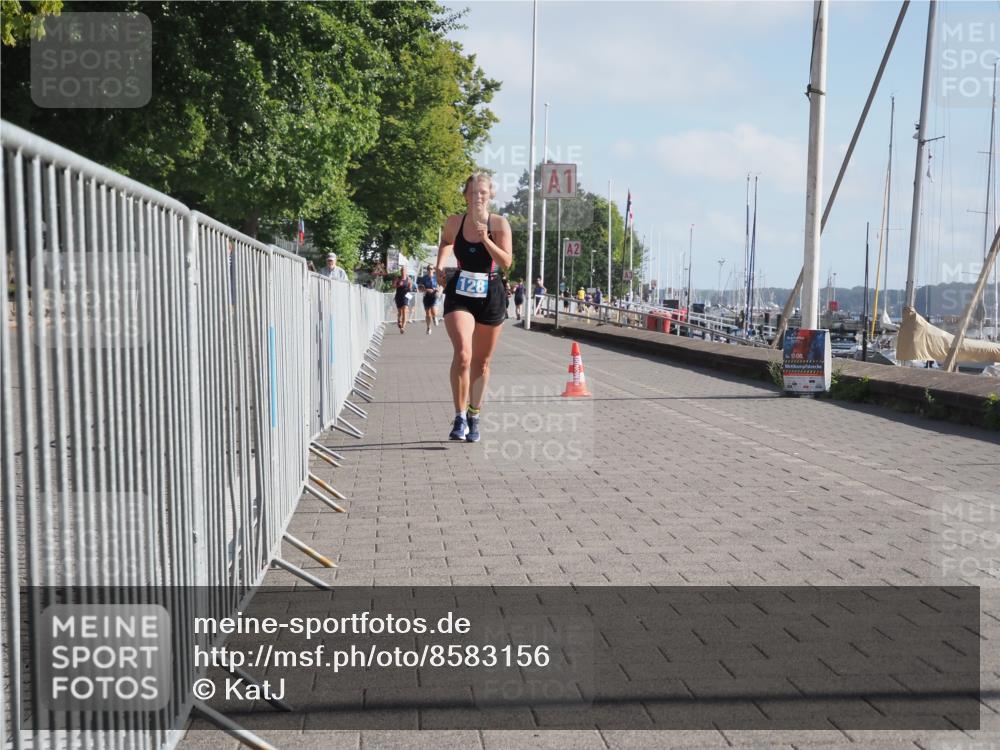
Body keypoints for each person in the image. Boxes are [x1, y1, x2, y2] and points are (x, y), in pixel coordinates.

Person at [436, 172, 513, 442]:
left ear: (491, 195)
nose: (477, 197)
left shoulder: (500, 223)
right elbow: (446, 242)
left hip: (491, 292)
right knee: (464, 353)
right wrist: (439, 265)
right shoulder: (454, 222)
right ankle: (459, 417)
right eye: (472, 192)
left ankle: (474, 414)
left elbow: (506, 263)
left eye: (482, 192)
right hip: (460, 290)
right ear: (465, 195)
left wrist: (486, 240)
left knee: (482, 363)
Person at [417, 264, 439, 334]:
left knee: (434, 312)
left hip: (434, 296)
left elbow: (441, 286)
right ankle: (428, 328)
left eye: (431, 269)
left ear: (434, 270)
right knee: (427, 313)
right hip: (426, 297)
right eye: (428, 269)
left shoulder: (436, 278)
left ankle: (435, 317)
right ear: (427, 270)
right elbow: (420, 288)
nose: (430, 270)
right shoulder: (424, 278)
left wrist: (438, 290)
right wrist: (426, 290)